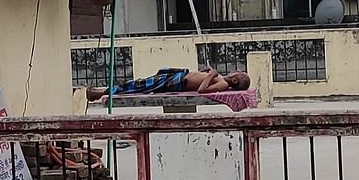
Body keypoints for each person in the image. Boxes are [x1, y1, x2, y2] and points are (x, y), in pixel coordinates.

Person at [86, 68, 250, 102]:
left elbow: (202, 90)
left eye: (237, 73)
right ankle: (101, 92)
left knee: (138, 86)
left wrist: (211, 75)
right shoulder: (221, 78)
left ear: (235, 80)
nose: (235, 71)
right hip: (178, 75)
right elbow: (201, 79)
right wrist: (206, 72)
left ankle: (100, 93)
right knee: (141, 82)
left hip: (177, 82)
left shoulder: (222, 84)